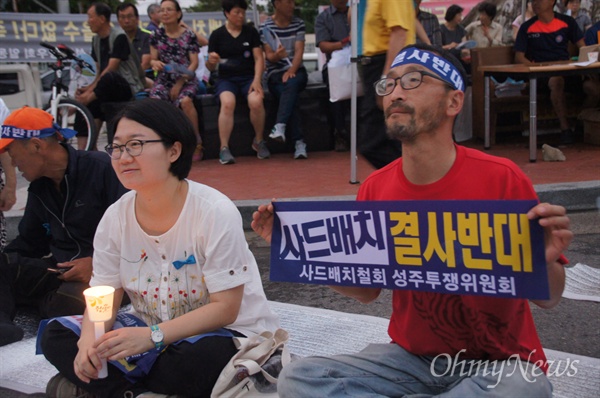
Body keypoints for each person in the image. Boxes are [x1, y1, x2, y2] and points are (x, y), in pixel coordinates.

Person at [252, 43, 573, 397]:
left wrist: (542, 259)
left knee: (525, 386)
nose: (396, 93)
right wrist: (300, 249)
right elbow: (365, 290)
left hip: (500, 364)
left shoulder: (502, 178)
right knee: (300, 378)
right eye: (388, 84)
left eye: (414, 80)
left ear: (454, 102)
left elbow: (550, 299)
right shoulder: (376, 188)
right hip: (412, 361)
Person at [41, 98, 279, 397]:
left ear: (174, 150)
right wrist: (90, 339)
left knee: (200, 359)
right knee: (56, 334)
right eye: (116, 147)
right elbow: (103, 294)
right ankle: (136, 393)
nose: (123, 157)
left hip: (218, 334)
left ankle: (107, 388)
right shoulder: (115, 218)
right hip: (148, 328)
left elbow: (226, 309)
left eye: (135, 144)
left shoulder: (213, 210)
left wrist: (152, 337)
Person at [0, 106, 127, 347]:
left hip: (107, 278)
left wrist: (96, 263)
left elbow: (138, 232)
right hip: (59, 271)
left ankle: (40, 305)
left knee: (71, 302)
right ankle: (4, 328)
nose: (14, 163)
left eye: (13, 153)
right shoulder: (39, 188)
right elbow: (28, 242)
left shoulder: (102, 169)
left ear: (37, 146)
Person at [515, 0, 600, 144]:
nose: (535, 3)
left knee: (594, 88)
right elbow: (519, 57)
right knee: (556, 81)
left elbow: (583, 48)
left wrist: (587, 65)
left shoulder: (567, 22)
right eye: (533, 1)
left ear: (551, 2)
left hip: (568, 73)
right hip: (541, 76)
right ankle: (565, 129)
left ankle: (580, 121)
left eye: (539, 0)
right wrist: (535, 69)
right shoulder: (526, 28)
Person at [207, 0, 271, 165]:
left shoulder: (251, 32)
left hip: (249, 78)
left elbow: (258, 58)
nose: (240, 16)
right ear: (227, 13)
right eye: (237, 12)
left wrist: (257, 80)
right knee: (228, 103)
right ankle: (224, 148)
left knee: (256, 101)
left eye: (243, 12)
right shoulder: (217, 35)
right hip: (226, 79)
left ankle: (259, 140)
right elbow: (210, 65)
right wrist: (211, 61)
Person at [75, 2, 145, 149]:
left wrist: (89, 94)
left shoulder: (119, 36)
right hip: (105, 88)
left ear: (101, 18)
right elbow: (97, 69)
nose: (88, 22)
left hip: (125, 86)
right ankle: (85, 149)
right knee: (85, 105)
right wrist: (86, 90)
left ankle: (87, 99)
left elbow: (111, 68)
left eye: (90, 17)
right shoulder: (96, 40)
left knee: (107, 79)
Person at [357, 0, 416, 169]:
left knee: (374, 141)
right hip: (376, 66)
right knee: (387, 137)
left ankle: (414, 181)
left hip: (386, 64)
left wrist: (387, 79)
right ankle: (408, 184)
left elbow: (399, 32)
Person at [150, 0, 203, 161]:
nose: (164, 13)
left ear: (178, 13)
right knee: (155, 101)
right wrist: (155, 63)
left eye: (169, 10)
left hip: (186, 78)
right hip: (165, 78)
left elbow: (194, 62)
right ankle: (163, 143)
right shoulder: (156, 36)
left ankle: (196, 142)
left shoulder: (189, 35)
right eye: (162, 10)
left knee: (185, 101)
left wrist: (180, 82)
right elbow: (152, 59)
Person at [260, 0, 309, 160]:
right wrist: (277, 56)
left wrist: (292, 70)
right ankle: (299, 142)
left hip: (296, 72)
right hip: (275, 74)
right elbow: (269, 56)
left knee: (291, 84)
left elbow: (299, 50)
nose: (292, 5)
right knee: (290, 95)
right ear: (277, 3)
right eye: (288, 2)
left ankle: (280, 125)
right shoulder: (265, 27)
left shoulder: (299, 23)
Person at [314, 0, 351, 152]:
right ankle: (340, 133)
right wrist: (344, 42)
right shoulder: (324, 17)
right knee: (333, 90)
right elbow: (323, 46)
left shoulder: (357, 12)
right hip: (336, 65)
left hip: (361, 61)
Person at [116, 2, 152, 88]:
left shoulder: (148, 36)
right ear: (118, 20)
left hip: (144, 78)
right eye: (122, 17)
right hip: (123, 80)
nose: (126, 21)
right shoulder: (117, 39)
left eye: (129, 16)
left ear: (137, 18)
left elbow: (146, 64)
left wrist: (131, 79)